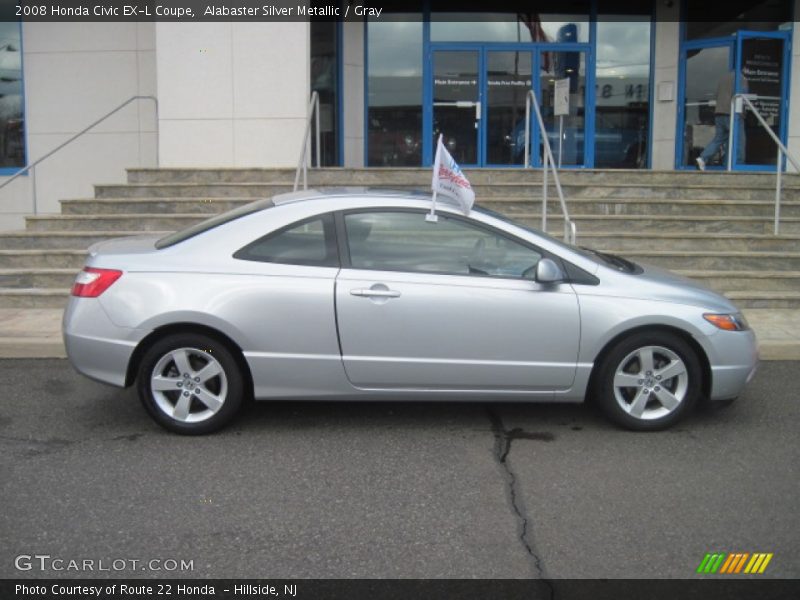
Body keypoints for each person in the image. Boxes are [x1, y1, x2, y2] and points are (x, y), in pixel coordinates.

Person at [696, 70, 746, 170]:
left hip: (719, 113)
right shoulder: (742, 79)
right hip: (732, 114)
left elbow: (716, 96)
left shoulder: (722, 79)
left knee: (719, 139)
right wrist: (742, 113)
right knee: (739, 140)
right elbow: (743, 97)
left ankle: (703, 158)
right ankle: (738, 165)